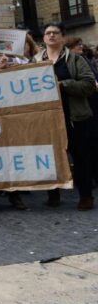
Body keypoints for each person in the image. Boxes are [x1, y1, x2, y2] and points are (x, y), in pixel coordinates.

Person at [34, 23, 97, 210]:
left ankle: (86, 196)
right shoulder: (35, 61)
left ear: (62, 37)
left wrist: (63, 85)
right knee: (50, 157)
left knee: (80, 157)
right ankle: (53, 194)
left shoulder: (76, 60)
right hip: (47, 118)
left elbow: (89, 85)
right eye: (48, 33)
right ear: (44, 38)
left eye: (55, 33)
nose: (51, 35)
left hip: (74, 117)